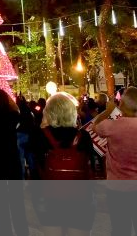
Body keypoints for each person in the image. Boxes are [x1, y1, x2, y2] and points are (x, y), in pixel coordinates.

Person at [32, 92, 94, 236]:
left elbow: (36, 165)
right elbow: (89, 164)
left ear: (48, 112)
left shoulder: (40, 135)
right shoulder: (83, 136)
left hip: (50, 199)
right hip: (80, 199)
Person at [0, 90, 28, 236]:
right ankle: (21, 231)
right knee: (17, 200)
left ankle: (4, 231)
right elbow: (17, 109)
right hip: (12, 159)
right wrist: (9, 100)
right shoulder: (13, 116)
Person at [93, 87, 137, 236]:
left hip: (117, 187)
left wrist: (109, 111)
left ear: (122, 104)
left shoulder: (113, 125)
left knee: (120, 229)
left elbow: (95, 126)